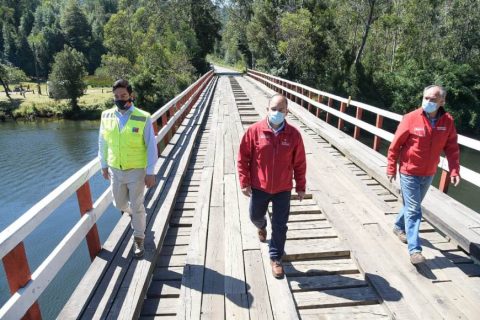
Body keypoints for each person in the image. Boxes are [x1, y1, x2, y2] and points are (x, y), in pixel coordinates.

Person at [387, 85, 460, 265]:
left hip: (429, 172)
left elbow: (451, 148)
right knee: (414, 210)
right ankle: (415, 250)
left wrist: (454, 169)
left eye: (432, 99)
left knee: (413, 205)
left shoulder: (447, 121)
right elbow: (395, 145)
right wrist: (391, 167)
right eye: (425, 98)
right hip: (409, 171)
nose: (427, 102)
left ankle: (398, 226)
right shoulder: (411, 118)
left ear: (442, 102)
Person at [237, 94, 307, 278]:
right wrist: (244, 181)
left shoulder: (294, 135)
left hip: (283, 188)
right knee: (254, 215)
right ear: (267, 109)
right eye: (273, 109)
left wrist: (300, 185)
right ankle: (261, 226)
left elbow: (300, 163)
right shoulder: (254, 131)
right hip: (259, 186)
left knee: (280, 224)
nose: (277, 112)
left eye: (281, 110)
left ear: (287, 112)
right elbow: (243, 158)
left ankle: (276, 258)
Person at [98, 79, 158, 258]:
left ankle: (139, 238)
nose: (119, 99)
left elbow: (151, 147)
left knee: (137, 204)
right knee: (119, 203)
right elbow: (102, 142)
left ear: (131, 95)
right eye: (116, 96)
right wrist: (103, 165)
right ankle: (136, 214)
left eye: (123, 95)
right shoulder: (106, 116)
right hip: (115, 170)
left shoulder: (143, 117)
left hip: (136, 171)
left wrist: (150, 172)